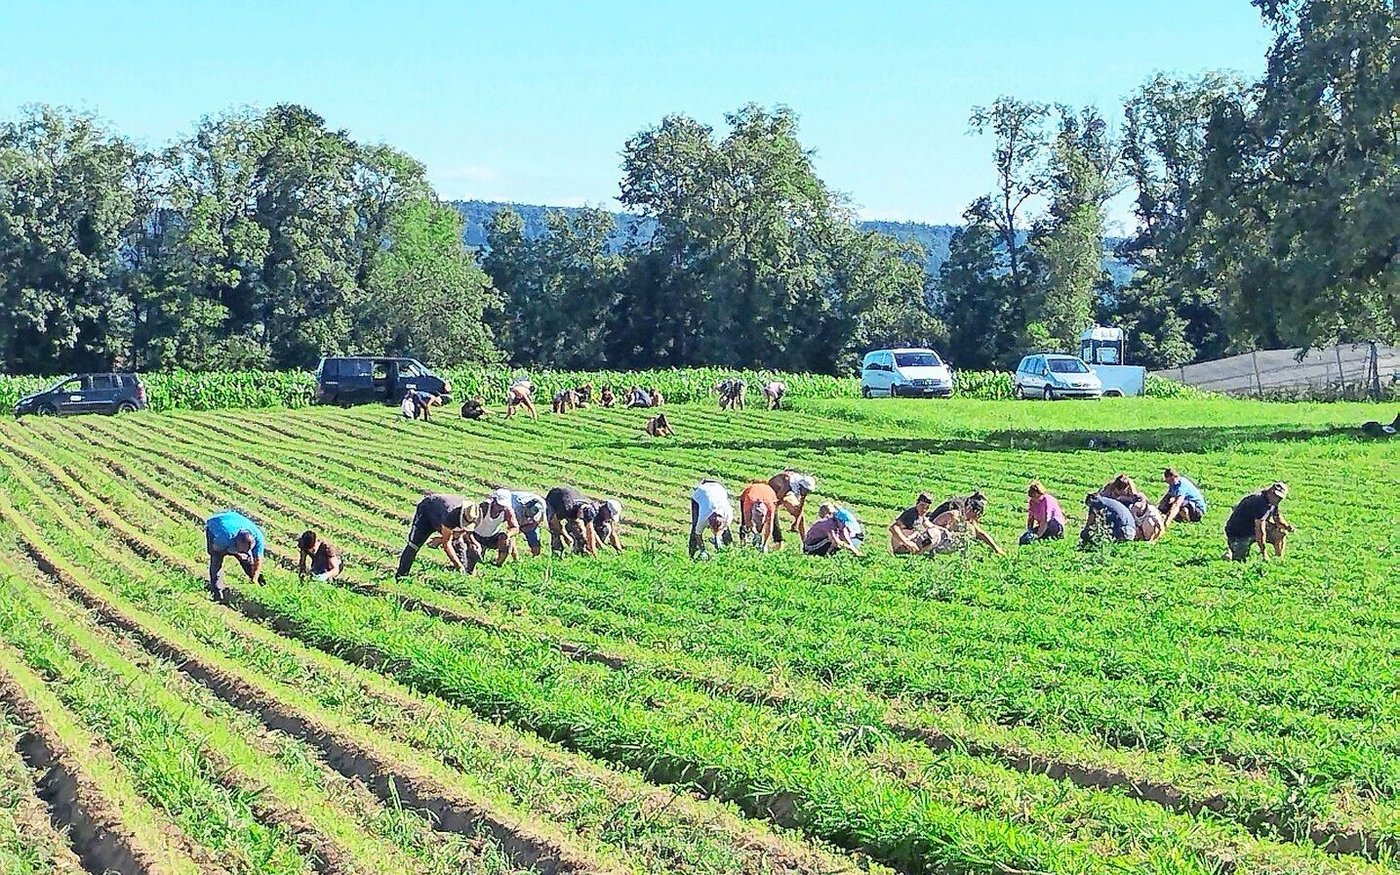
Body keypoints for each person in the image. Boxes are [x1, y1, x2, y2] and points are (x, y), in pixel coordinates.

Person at [396, 493, 476, 577]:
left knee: (459, 546)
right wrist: (458, 565)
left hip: (442, 516)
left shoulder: (474, 514)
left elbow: (462, 533)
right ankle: (401, 576)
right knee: (413, 546)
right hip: (427, 512)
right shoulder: (450, 517)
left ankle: (464, 576)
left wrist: (472, 543)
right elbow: (447, 544)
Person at [204, 510, 266, 603]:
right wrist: (235, 553)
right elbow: (216, 548)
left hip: (234, 519)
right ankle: (217, 592)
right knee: (216, 560)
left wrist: (254, 578)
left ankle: (260, 583)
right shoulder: (224, 536)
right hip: (215, 524)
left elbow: (258, 560)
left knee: (246, 559)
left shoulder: (258, 538)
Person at [1224, 482, 1293, 561]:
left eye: (1280, 498)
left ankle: (1278, 560)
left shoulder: (1273, 502)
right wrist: (1264, 553)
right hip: (1239, 533)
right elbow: (1260, 530)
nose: (1277, 499)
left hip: (1253, 528)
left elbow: (1277, 517)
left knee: (1280, 533)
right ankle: (1231, 551)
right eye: (1276, 496)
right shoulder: (1259, 502)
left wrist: (1287, 527)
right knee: (1240, 560)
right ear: (1270, 491)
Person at [464, 489, 520, 573]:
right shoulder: (484, 507)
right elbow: (470, 523)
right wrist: (472, 540)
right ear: (493, 501)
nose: (501, 508)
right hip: (476, 535)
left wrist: (507, 534)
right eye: (499, 505)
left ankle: (497, 564)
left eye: (503, 506)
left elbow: (515, 527)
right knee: (473, 554)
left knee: (506, 541)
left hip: (492, 537)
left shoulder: (507, 511)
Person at [930, 496, 1005, 556]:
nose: (974, 519)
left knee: (967, 536)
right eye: (974, 516)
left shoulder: (967, 517)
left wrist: (997, 549)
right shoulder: (954, 514)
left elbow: (980, 534)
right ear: (969, 510)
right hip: (934, 540)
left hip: (942, 541)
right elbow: (932, 527)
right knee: (965, 537)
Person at [1101, 474, 1164, 542]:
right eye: (1119, 492)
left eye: (1123, 491)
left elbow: (1135, 498)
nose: (1121, 493)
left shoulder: (1130, 489)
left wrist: (1123, 498)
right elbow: (1101, 498)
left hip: (1127, 508)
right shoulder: (1109, 488)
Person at [546, 485, 600, 557]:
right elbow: (554, 522)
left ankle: (580, 551)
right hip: (554, 500)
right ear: (580, 512)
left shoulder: (589, 509)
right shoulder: (566, 508)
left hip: (571, 498)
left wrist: (593, 551)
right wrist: (565, 536)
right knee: (555, 530)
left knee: (579, 530)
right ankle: (557, 552)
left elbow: (590, 531)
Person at [689, 479, 735, 558]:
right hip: (701, 493)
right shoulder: (704, 516)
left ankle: (729, 551)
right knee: (695, 527)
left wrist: (718, 536)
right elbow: (698, 534)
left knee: (726, 531)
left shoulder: (728, 515)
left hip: (719, 489)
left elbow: (723, 528)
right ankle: (693, 553)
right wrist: (702, 549)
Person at [768, 470, 817, 537]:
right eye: (806, 490)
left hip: (785, 493)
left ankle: (805, 541)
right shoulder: (788, 483)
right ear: (801, 486)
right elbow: (778, 499)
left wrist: (796, 522)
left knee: (801, 516)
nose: (807, 493)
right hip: (775, 491)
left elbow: (800, 508)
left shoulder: (801, 488)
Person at [739, 480, 782, 552]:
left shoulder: (770, 506)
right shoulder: (749, 500)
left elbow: (769, 525)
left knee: (774, 521)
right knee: (744, 521)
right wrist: (755, 533)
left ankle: (778, 541)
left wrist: (765, 544)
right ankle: (743, 541)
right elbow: (747, 520)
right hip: (749, 493)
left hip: (769, 494)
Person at [507, 489, 548, 556]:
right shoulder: (514, 507)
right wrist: (515, 531)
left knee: (534, 539)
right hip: (515, 508)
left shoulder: (542, 506)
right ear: (525, 507)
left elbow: (537, 523)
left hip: (530, 522)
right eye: (528, 514)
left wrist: (529, 526)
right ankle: (515, 557)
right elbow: (512, 528)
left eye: (533, 515)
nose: (530, 517)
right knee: (510, 536)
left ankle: (535, 556)